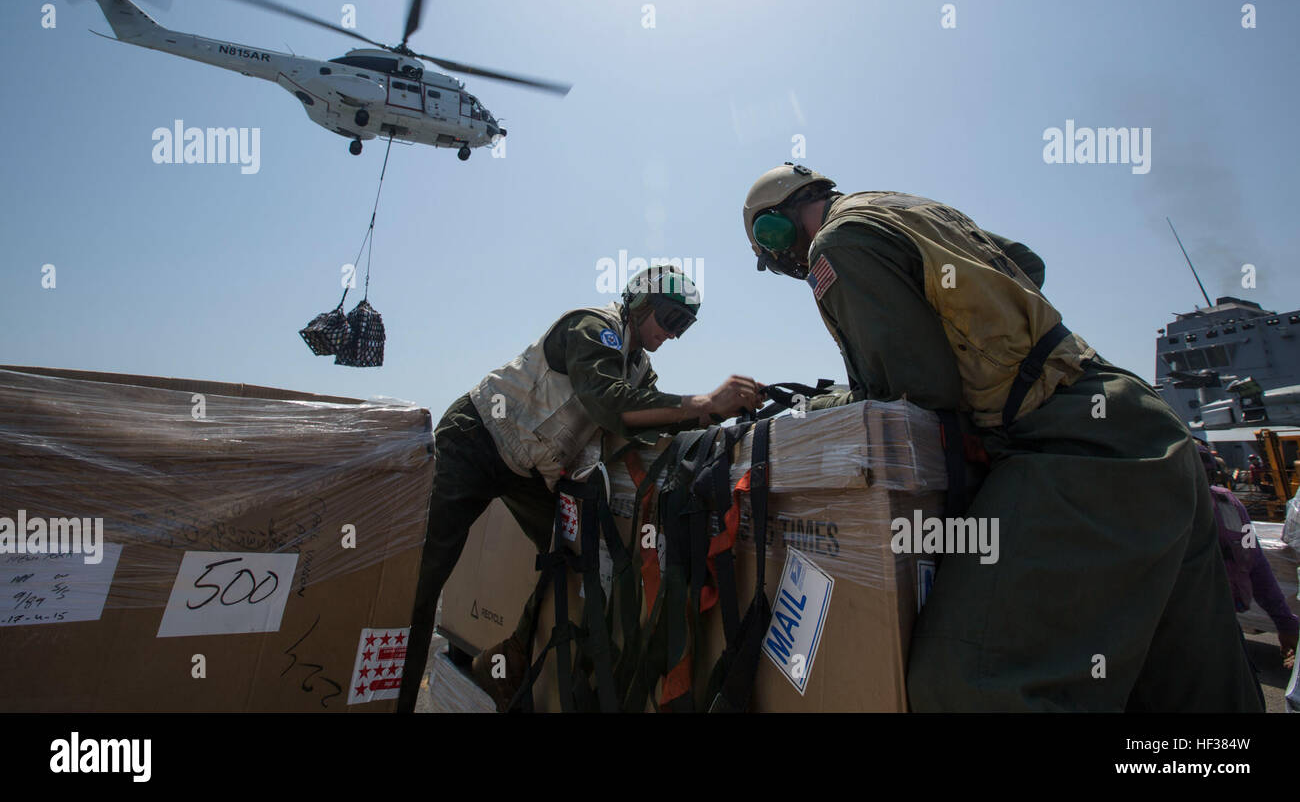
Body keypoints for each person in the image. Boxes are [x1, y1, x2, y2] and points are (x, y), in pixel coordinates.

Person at [742, 162, 1264, 711]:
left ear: (773, 230)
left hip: (1071, 448)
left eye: (774, 254)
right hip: (1140, 426)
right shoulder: (903, 208)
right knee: (1195, 689)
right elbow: (1028, 263)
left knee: (968, 686)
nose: (787, 265)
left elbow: (916, 390)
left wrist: (817, 407)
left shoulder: (834, 244)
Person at [396, 265, 764, 712]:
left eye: (683, 326)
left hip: (532, 471)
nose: (672, 333)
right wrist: (705, 401)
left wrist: (715, 419)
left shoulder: (638, 367)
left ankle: (510, 661)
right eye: (669, 319)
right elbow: (609, 403)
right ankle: (390, 697)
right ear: (640, 303)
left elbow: (644, 420)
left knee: (573, 558)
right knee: (422, 579)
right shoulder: (594, 328)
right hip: (478, 441)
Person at [1209, 482, 1299, 667]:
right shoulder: (1228, 503)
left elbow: (1255, 560)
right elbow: (1255, 561)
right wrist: (1285, 622)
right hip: (1218, 625)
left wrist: (1285, 623)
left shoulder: (1227, 503)